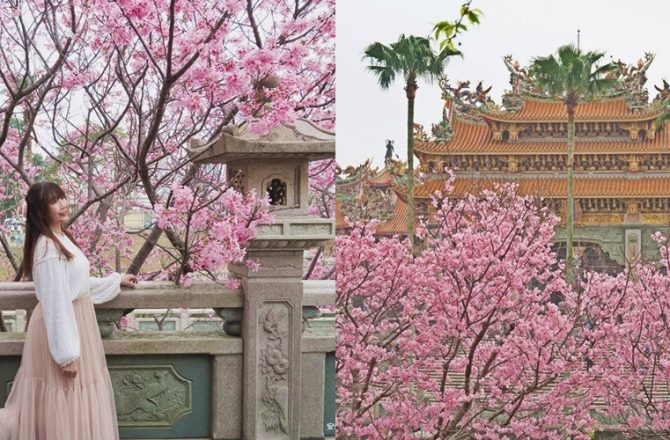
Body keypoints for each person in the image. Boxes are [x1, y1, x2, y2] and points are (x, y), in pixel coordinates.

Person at [0, 181, 138, 439]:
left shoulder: (60, 237)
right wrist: (66, 354)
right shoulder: (48, 248)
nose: (62, 205)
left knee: (72, 398)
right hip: (63, 330)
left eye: (62, 197)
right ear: (40, 211)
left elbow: (76, 285)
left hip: (75, 324)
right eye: (54, 201)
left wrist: (113, 281)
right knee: (64, 398)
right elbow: (56, 301)